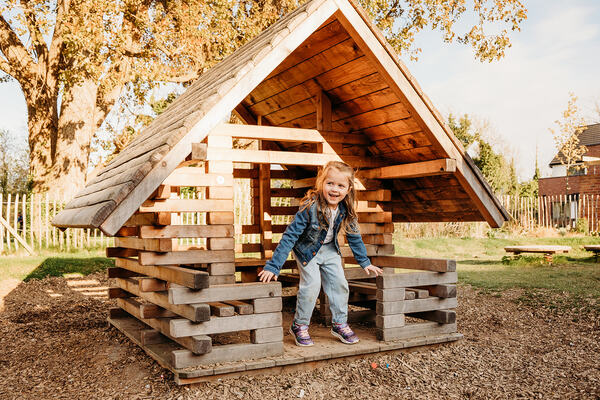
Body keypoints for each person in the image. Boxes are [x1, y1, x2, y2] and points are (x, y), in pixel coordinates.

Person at [258, 161, 383, 347]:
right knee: (312, 285)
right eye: (330, 183)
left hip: (330, 250)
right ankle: (299, 325)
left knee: (340, 284)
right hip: (307, 251)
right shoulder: (310, 207)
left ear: (348, 189)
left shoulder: (346, 210)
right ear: (321, 184)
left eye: (340, 185)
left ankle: (339, 323)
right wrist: (274, 266)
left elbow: (354, 237)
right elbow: (290, 236)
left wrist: (364, 262)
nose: (334, 189)